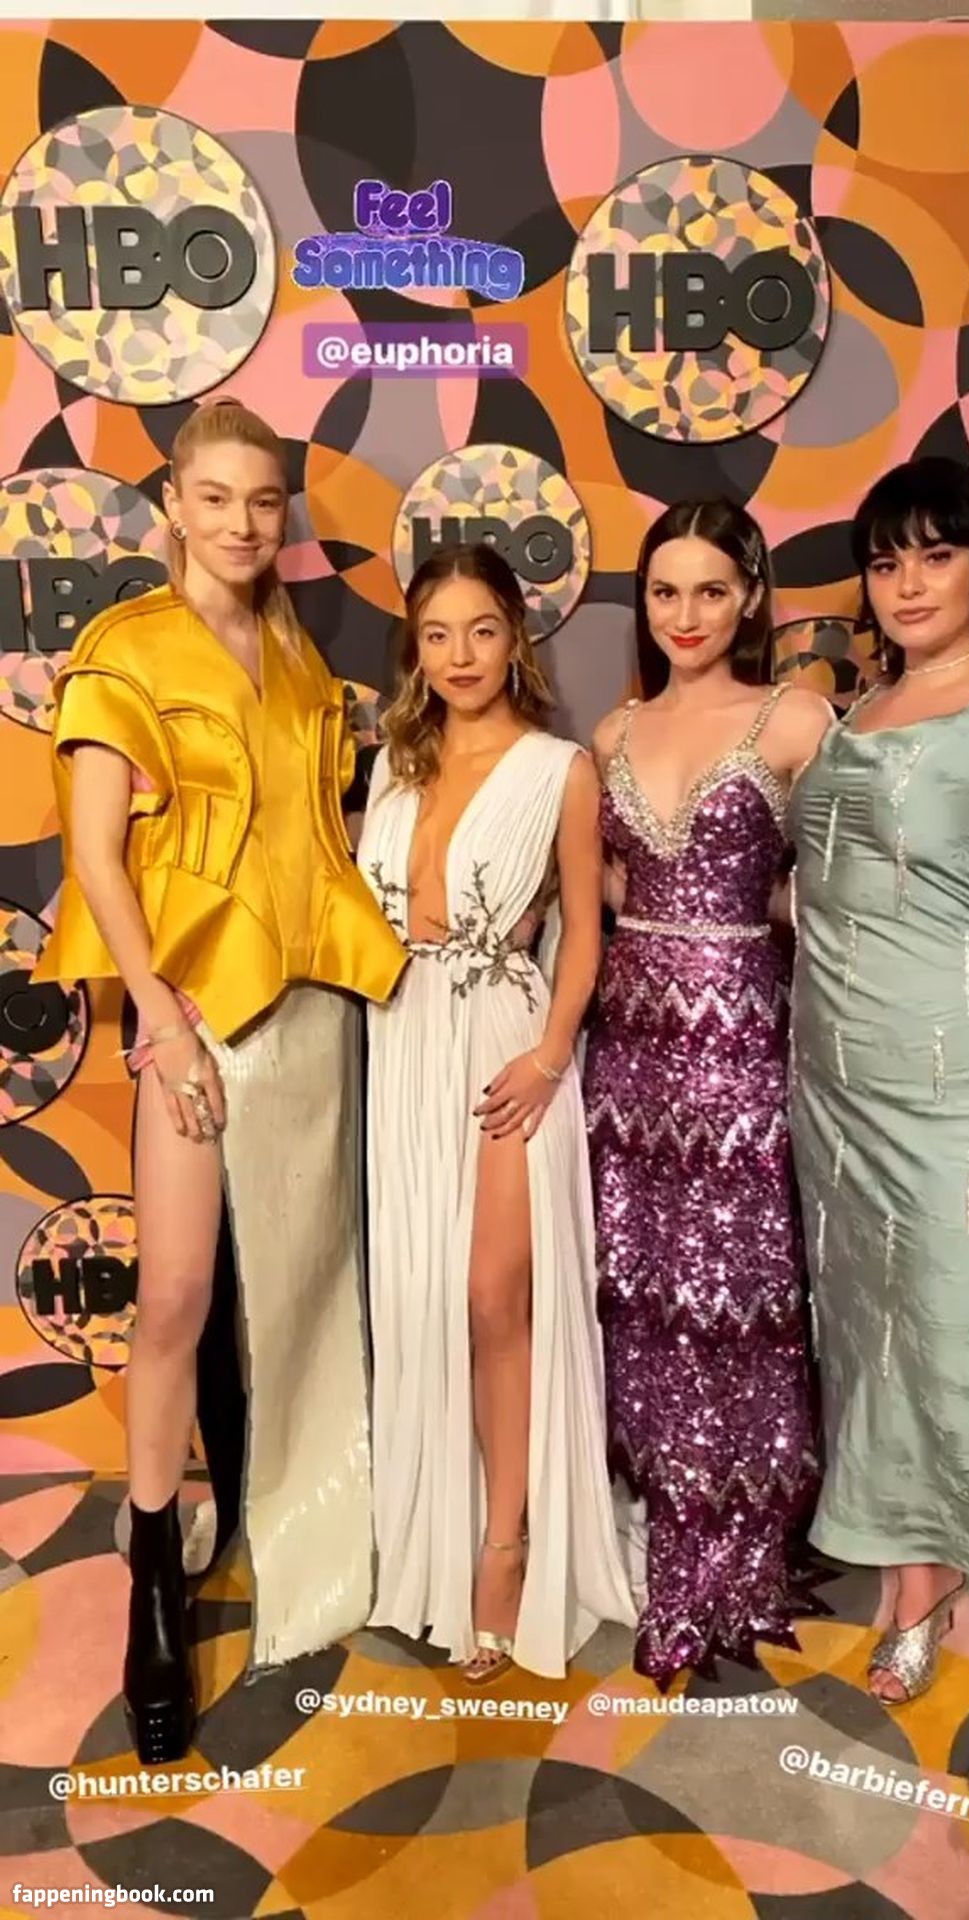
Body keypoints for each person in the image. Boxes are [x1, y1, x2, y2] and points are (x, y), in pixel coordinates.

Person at [33, 398, 405, 1762]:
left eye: (264, 501)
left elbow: (325, 837)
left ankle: (280, 1506)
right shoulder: (125, 645)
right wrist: (161, 1019)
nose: (244, 524)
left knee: (298, 1278)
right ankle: (153, 1577)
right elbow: (94, 855)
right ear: (174, 505)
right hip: (189, 1010)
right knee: (180, 1291)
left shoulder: (300, 656)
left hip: (308, 1006)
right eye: (218, 498)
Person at [788, 455, 969, 1817]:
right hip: (840, 1106)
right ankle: (921, 1577)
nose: (904, 583)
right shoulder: (857, 709)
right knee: (876, 1361)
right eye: (882, 560)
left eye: (934, 554)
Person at [357, 542, 635, 1682]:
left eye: (481, 629)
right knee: (426, 1298)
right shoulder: (395, 763)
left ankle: (507, 1542)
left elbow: (584, 934)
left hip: (505, 1046)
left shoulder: (560, 768)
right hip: (401, 1043)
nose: (461, 655)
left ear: (514, 636)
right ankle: (432, 1527)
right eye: (438, 634)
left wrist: (549, 1055)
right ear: (415, 650)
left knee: (492, 1295)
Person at [582, 499, 833, 1688]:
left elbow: (843, 889)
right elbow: (600, 883)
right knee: (641, 1289)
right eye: (664, 592)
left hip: (740, 1044)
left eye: (710, 591)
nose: (684, 616)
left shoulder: (796, 719)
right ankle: (661, 1515)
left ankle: (733, 1549)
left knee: (732, 1288)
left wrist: (753, 920)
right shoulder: (612, 728)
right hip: (627, 1046)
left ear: (750, 597)